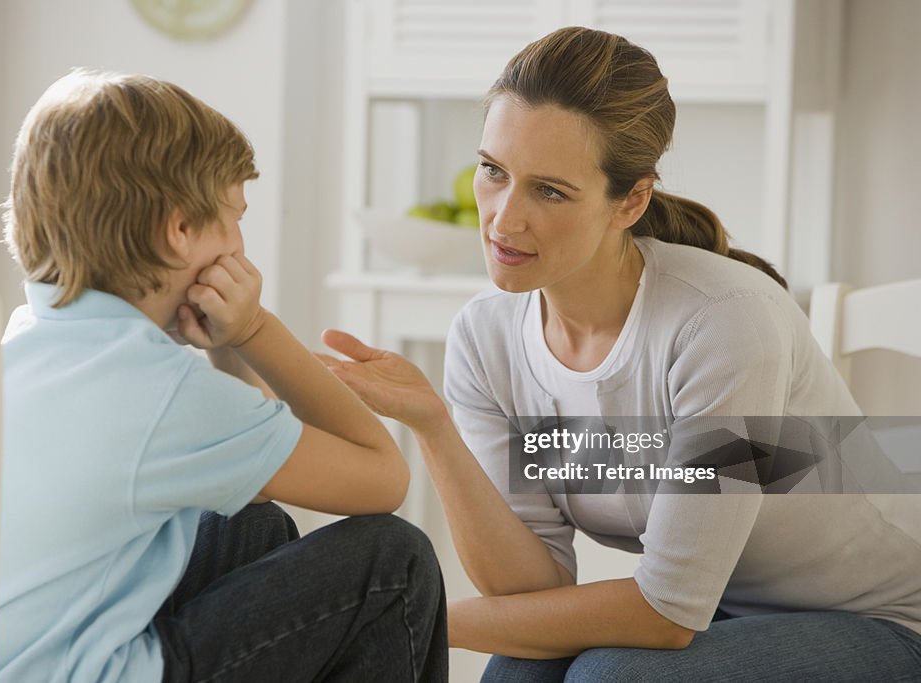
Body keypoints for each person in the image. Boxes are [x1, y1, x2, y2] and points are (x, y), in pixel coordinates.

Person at [319, 27, 921, 681]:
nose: (502, 219)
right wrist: (433, 426)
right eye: (493, 171)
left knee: (611, 676)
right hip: (716, 609)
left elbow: (664, 611)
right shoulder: (487, 337)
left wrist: (420, 614)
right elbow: (527, 588)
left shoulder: (722, 324)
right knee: (518, 671)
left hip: (881, 619)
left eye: (549, 190)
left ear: (630, 200)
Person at [0, 70, 447, 682]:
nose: (240, 245)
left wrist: (223, 353)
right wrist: (252, 330)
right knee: (396, 562)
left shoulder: (30, 340)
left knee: (250, 521)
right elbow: (383, 480)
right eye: (233, 217)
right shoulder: (160, 391)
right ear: (180, 231)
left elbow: (258, 485)